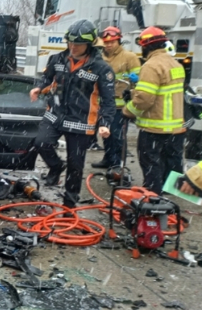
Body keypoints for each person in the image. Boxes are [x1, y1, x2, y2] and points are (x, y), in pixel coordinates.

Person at [29, 20, 116, 208]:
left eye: (78, 44)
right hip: (55, 112)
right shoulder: (57, 59)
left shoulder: (102, 68)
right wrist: (38, 88)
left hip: (81, 120)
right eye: (70, 42)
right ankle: (55, 166)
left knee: (75, 164)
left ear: (89, 44)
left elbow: (109, 101)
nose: (73, 47)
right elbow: (46, 77)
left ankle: (70, 203)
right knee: (41, 143)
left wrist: (105, 123)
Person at [122, 26, 185, 194]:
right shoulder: (175, 63)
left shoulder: (151, 65)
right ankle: (170, 200)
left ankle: (153, 199)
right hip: (176, 129)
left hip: (154, 128)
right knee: (171, 164)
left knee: (151, 165)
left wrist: (127, 110)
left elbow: (144, 100)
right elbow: (163, 93)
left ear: (146, 46)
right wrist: (134, 93)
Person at [92, 26, 141, 172]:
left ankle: (118, 164)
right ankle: (108, 159)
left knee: (117, 135)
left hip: (121, 105)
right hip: (103, 103)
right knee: (105, 133)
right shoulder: (99, 57)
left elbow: (139, 81)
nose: (108, 45)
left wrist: (134, 84)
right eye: (106, 42)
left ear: (118, 41)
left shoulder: (129, 57)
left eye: (112, 42)